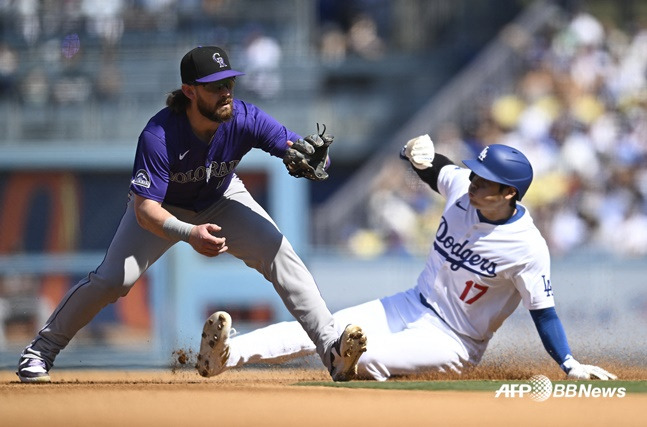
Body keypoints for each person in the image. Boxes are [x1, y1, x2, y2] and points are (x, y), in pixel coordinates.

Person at [16, 45, 367, 383]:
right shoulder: (159, 135)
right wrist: (188, 233)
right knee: (112, 280)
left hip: (221, 196)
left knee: (281, 253)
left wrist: (314, 157)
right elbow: (144, 210)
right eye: (216, 87)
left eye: (229, 83)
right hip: (162, 208)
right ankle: (40, 351)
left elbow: (298, 147)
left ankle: (332, 350)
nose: (226, 92)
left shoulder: (246, 118)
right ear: (189, 91)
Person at [194, 135, 617, 381]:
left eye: (485, 180)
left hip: (454, 340)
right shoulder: (463, 189)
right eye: (474, 173)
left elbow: (544, 313)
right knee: (320, 326)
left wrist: (569, 363)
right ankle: (225, 356)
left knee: (368, 355)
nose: (473, 181)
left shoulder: (527, 247)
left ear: (509, 193)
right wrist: (418, 155)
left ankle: (344, 365)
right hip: (410, 303)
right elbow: (440, 168)